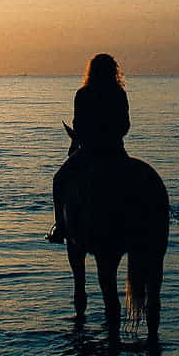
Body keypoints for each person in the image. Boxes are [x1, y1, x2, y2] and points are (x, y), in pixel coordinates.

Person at [47, 53, 130, 243]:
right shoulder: (119, 94)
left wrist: (83, 137)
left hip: (90, 152)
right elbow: (125, 126)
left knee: (58, 180)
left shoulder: (83, 94)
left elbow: (79, 126)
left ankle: (60, 228)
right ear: (113, 71)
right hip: (116, 151)